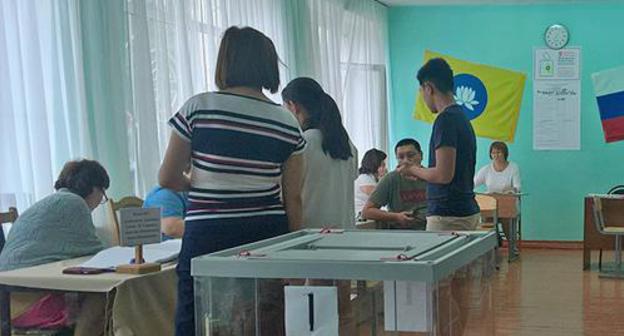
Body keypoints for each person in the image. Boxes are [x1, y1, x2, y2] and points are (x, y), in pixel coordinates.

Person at [159, 26, 305, 336]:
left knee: (196, 317)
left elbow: (167, 177)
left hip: (209, 231)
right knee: (264, 320)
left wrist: (196, 184)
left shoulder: (199, 107)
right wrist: (296, 255)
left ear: (225, 61)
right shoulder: (287, 121)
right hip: (267, 233)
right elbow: (293, 198)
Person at [0, 159, 109, 335]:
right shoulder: (75, 204)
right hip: (30, 302)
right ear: (94, 188)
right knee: (104, 295)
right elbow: (97, 256)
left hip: (8, 301)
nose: (99, 201)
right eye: (103, 194)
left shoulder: (46, 203)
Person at [398, 58, 480, 232]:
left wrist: (411, 169)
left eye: (421, 92)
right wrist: (421, 173)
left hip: (448, 216)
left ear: (429, 88)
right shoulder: (461, 117)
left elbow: (444, 175)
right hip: (463, 211)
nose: (423, 98)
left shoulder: (445, 119)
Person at [282, 77, 358, 229]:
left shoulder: (302, 144)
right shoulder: (347, 145)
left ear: (293, 106)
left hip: (312, 235)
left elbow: (292, 196)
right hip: (346, 233)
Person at [362, 139, 427, 230]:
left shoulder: (431, 176)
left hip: (431, 230)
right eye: (400, 157)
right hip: (401, 233)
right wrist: (396, 217)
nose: (406, 161)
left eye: (411, 155)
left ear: (421, 155)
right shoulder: (391, 179)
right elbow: (367, 211)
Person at [474, 141, 521, 246]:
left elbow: (517, 187)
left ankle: (512, 246)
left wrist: (510, 190)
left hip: (507, 205)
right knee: (486, 219)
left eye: (499, 152)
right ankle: (492, 243)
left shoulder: (513, 167)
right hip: (490, 206)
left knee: (506, 219)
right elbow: (473, 183)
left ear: (505, 153)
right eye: (493, 153)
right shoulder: (486, 169)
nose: (496, 155)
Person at [354, 149, 387, 217]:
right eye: (382, 165)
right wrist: (385, 179)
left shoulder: (370, 178)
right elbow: (381, 197)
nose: (385, 169)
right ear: (374, 165)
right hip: (361, 215)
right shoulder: (365, 178)